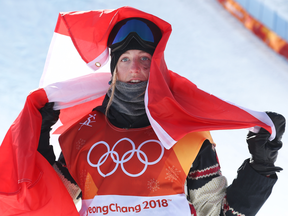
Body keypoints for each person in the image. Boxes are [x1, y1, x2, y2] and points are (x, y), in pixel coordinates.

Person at [0, 7, 284, 216]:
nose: (135, 69)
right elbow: (47, 203)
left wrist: (260, 167)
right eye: (125, 59)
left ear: (157, 65)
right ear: (113, 69)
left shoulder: (186, 135)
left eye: (145, 59)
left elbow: (219, 214)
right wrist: (37, 144)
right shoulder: (81, 135)